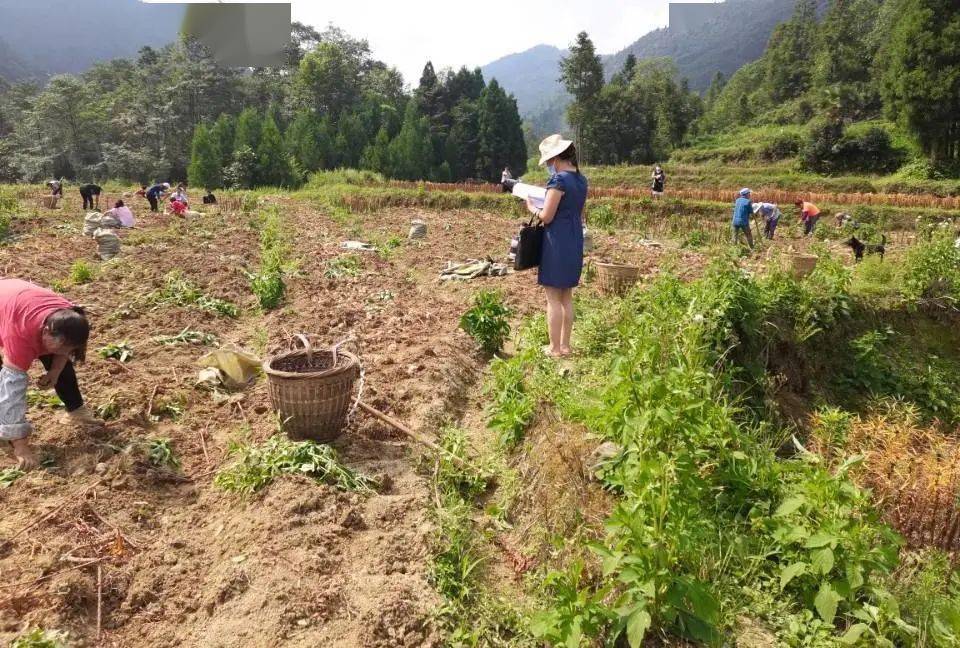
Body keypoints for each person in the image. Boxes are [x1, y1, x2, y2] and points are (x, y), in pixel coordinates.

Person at [0, 279, 100, 469]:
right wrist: (21, 446)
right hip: (8, 309)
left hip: (18, 299)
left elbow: (64, 351)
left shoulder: (70, 318)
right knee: (5, 380)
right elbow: (12, 390)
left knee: (60, 361)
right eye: (61, 346)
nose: (65, 351)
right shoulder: (20, 336)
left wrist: (54, 372)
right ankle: (8, 434)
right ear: (46, 331)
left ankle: (76, 411)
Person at [524, 134, 587, 358]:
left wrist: (532, 207)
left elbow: (547, 216)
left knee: (552, 296)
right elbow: (578, 213)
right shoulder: (581, 180)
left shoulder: (558, 181)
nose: (549, 166)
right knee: (566, 295)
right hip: (574, 238)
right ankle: (566, 346)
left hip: (557, 241)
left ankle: (554, 348)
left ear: (556, 158)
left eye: (550, 161)